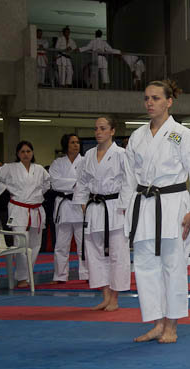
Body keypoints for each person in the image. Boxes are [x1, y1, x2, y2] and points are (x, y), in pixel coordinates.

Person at [121, 79, 190, 343]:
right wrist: (127, 209)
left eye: (156, 98)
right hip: (143, 205)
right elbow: (129, 177)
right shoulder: (137, 136)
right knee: (145, 266)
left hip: (173, 205)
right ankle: (157, 323)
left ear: (169, 102)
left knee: (173, 266)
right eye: (146, 98)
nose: (149, 103)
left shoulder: (183, 134)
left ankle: (172, 325)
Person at [73, 116, 131, 311]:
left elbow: (129, 183)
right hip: (94, 208)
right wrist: (83, 203)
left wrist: (124, 207)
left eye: (103, 128)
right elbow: (81, 182)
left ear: (112, 131)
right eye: (96, 128)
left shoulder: (121, 154)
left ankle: (114, 298)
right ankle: (105, 296)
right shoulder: (88, 155)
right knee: (95, 254)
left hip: (115, 207)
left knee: (117, 254)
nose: (98, 132)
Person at [0, 141, 51, 288]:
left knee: (35, 245)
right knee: (21, 243)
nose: (26, 154)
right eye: (22, 151)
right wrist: (4, 190)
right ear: (18, 154)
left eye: (28, 151)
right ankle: (21, 277)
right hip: (19, 209)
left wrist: (39, 193)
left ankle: (28, 275)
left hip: (36, 209)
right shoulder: (9, 168)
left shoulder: (39, 169)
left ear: (32, 153)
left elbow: (48, 183)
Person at [49, 134, 87, 283]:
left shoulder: (85, 161)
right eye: (72, 142)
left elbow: (87, 181)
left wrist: (72, 184)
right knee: (61, 245)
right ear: (66, 145)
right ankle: (60, 276)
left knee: (83, 243)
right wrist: (76, 184)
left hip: (80, 205)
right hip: (64, 207)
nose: (76, 145)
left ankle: (86, 274)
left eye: (77, 142)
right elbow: (54, 183)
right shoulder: (57, 163)